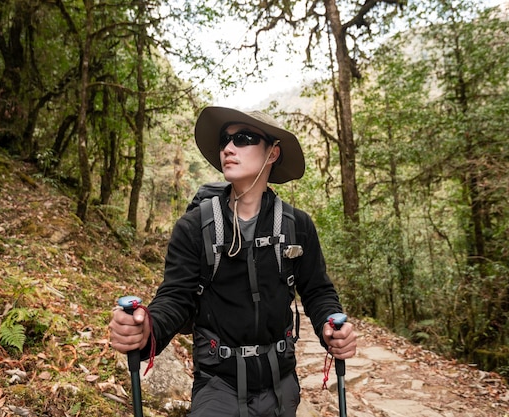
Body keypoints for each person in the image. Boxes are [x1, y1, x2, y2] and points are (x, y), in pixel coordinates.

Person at [109, 106, 357, 417]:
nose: (228, 147)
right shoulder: (194, 227)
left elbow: (318, 291)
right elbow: (176, 298)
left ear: (273, 153)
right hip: (217, 385)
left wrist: (331, 325)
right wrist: (147, 331)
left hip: (282, 384)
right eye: (225, 140)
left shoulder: (297, 225)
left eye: (243, 138)